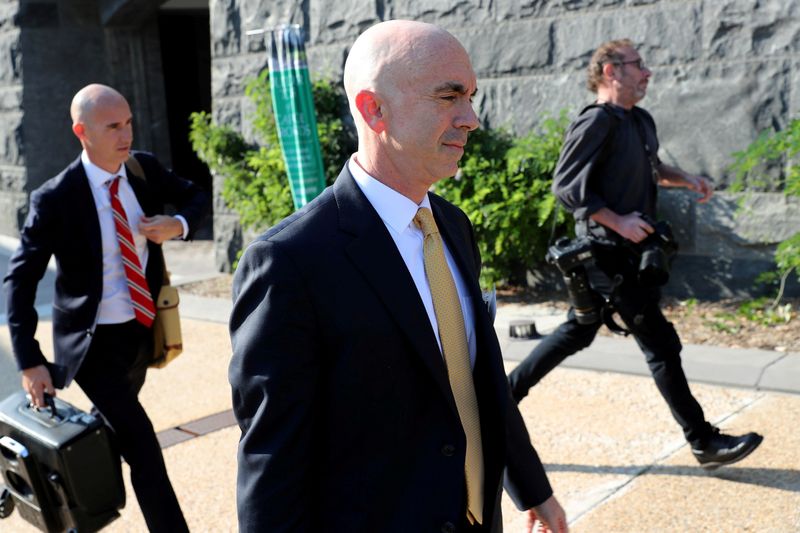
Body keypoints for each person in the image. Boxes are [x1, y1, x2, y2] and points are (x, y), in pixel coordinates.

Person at [229, 20, 567, 533]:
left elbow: (476, 377)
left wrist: (532, 487)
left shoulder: (452, 226)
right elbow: (273, 459)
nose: (471, 118)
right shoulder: (290, 261)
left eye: (471, 96)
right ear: (374, 109)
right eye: (449, 96)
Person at [507, 39, 763, 470]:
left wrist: (688, 179)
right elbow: (567, 187)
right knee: (660, 343)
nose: (647, 73)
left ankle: (495, 402)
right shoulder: (596, 122)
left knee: (578, 331)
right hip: (603, 252)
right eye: (638, 65)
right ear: (610, 71)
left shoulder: (639, 120)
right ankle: (702, 441)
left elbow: (653, 169)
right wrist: (619, 221)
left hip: (629, 252)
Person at [4, 84, 209, 532]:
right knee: (143, 449)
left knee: (103, 438)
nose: (126, 134)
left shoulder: (143, 170)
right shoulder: (55, 198)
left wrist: (177, 224)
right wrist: (30, 359)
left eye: (129, 122)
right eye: (113, 126)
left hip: (141, 331)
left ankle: (48, 496)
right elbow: (20, 280)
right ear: (82, 132)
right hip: (92, 344)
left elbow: (196, 195)